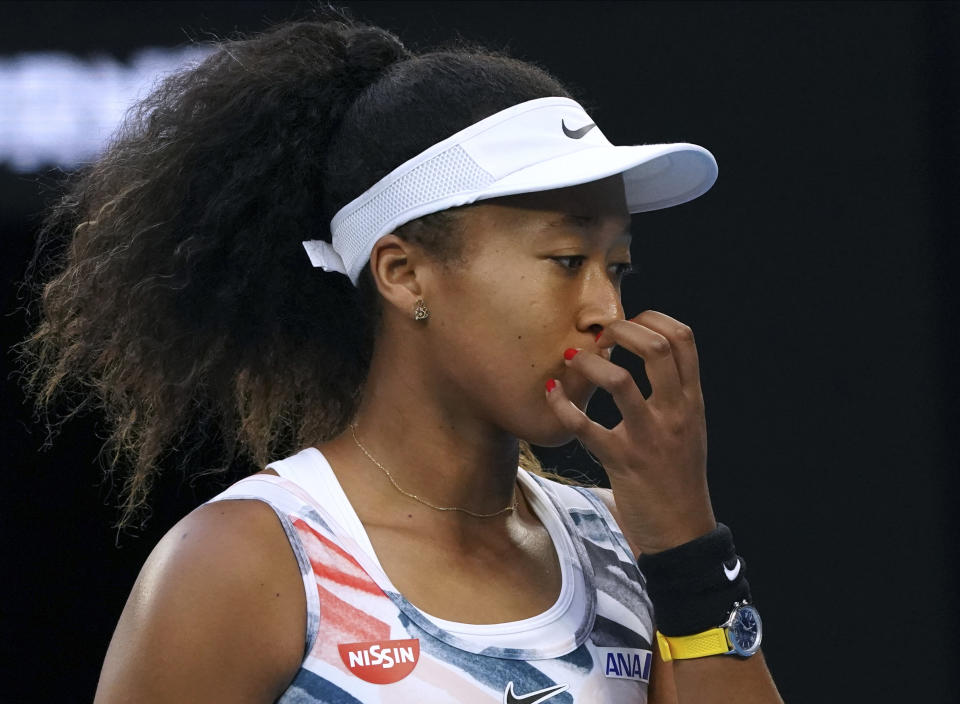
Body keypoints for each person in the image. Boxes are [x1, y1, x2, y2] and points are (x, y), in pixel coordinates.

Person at [20, 12, 783, 704]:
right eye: (564, 259)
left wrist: (687, 543)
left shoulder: (627, 546)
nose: (604, 312)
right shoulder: (250, 562)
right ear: (402, 272)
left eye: (614, 267)